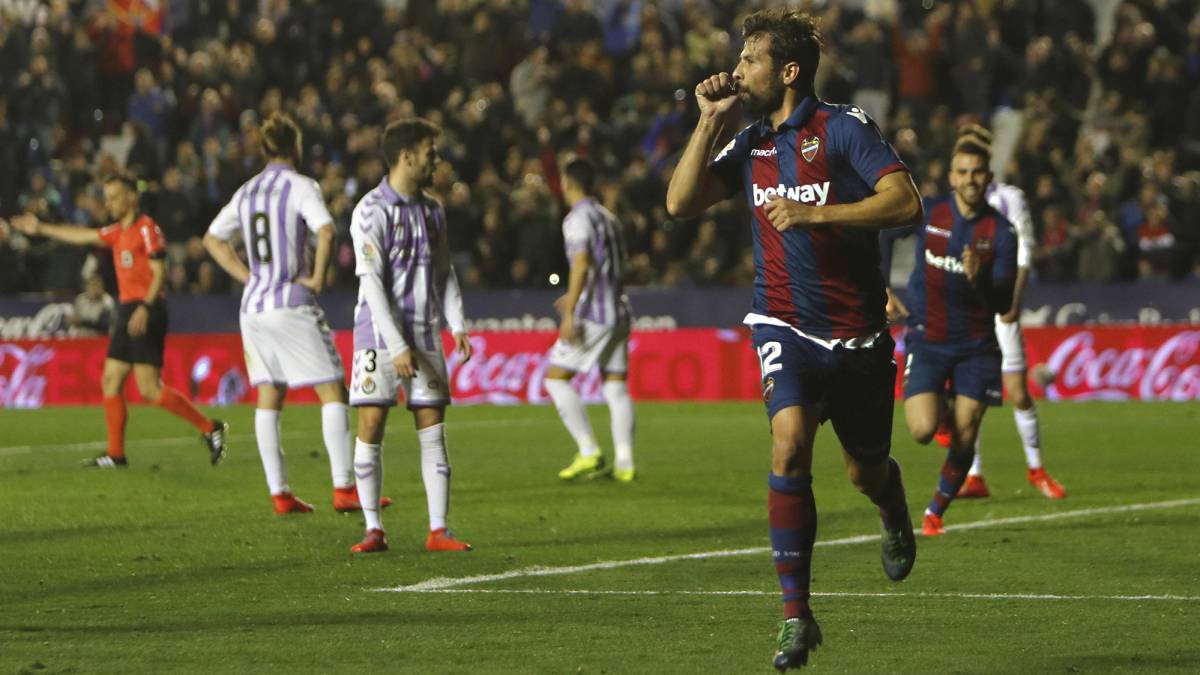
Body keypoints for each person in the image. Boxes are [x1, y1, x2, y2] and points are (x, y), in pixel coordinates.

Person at [665, 9, 922, 671]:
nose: (737, 66)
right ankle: (795, 616)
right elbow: (680, 203)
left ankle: (892, 506)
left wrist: (817, 212)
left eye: (749, 57)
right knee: (789, 442)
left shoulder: (844, 130)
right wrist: (707, 122)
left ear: (786, 71)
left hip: (857, 334)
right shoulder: (749, 141)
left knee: (865, 469)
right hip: (782, 323)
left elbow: (905, 202)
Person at [203, 113, 387, 515]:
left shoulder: (248, 191)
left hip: (252, 307)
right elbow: (325, 230)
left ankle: (280, 493)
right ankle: (343, 488)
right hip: (290, 301)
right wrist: (317, 276)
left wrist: (246, 276)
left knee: (270, 395)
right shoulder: (302, 185)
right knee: (332, 390)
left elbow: (212, 239)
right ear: (296, 147)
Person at [12, 176, 227, 468]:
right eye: (107, 196)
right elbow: (83, 236)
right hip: (128, 310)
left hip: (147, 310)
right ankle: (116, 454)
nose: (109, 202)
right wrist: (42, 229)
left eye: (114, 196)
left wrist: (145, 307)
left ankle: (210, 427)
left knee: (149, 388)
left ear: (131, 198)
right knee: (111, 381)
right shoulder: (117, 232)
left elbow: (159, 272)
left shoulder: (147, 229)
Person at [346, 118, 473, 554]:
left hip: (425, 332)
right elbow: (371, 282)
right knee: (371, 424)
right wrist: (396, 345)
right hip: (377, 338)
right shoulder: (370, 210)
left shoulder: (433, 209)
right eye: (430, 151)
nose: (436, 159)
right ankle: (373, 528)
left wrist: (456, 323)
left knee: (432, 428)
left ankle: (439, 530)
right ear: (407, 156)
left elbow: (444, 271)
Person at [880, 138, 1018, 537]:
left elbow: (1004, 302)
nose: (971, 179)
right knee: (923, 430)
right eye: (963, 172)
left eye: (978, 172)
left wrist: (981, 279)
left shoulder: (1001, 233)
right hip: (928, 336)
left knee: (966, 433)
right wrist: (883, 287)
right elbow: (885, 234)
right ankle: (941, 416)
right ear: (952, 176)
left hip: (976, 347)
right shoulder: (931, 213)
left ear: (988, 178)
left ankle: (936, 510)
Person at [945, 125, 1066, 500]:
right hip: (964, 310)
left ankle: (1036, 468)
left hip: (999, 307)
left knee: (1016, 390)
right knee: (967, 394)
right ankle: (974, 475)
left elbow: (1024, 252)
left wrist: (1013, 301)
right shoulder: (951, 205)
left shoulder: (1010, 199)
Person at [544, 156, 636, 483]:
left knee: (555, 378)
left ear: (567, 183)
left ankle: (588, 452)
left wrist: (571, 312)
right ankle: (625, 462)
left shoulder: (577, 219)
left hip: (595, 315)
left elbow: (581, 263)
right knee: (615, 385)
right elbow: (616, 267)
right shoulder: (609, 218)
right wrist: (575, 295)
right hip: (620, 309)